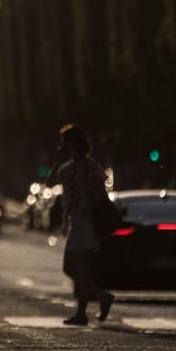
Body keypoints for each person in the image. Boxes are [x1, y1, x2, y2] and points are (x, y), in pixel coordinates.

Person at [45, 124, 114, 326]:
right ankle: (94, 303)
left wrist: (86, 208)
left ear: (73, 143)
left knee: (73, 267)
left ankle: (93, 304)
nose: (62, 146)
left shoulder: (90, 166)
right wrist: (57, 160)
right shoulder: (67, 168)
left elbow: (101, 192)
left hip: (87, 222)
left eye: (64, 142)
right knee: (78, 270)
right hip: (75, 221)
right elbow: (49, 183)